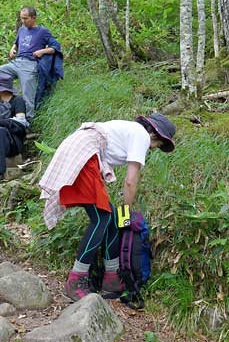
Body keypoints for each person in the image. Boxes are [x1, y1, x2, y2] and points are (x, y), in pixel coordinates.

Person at [39, 113, 176, 302]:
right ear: (155, 135)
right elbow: (130, 181)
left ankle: (112, 278)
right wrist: (126, 216)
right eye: (159, 145)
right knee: (102, 218)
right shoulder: (141, 135)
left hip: (82, 149)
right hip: (84, 152)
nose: (154, 149)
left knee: (109, 217)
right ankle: (76, 280)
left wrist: (121, 216)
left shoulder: (130, 131)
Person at [0, 6, 60, 119]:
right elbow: (16, 43)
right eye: (21, 18)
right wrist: (13, 49)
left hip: (30, 64)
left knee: (27, 95)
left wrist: (42, 51)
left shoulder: (42, 31)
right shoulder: (21, 29)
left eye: (25, 18)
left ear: (33, 18)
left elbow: (56, 47)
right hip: (16, 62)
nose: (23, 21)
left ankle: (29, 121)